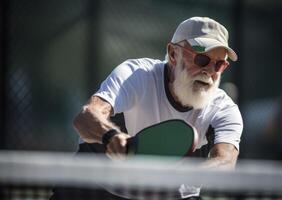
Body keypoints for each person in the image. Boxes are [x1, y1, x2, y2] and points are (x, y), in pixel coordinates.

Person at [70, 17, 243, 200]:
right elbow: (85, 117)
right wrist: (110, 136)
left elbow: (224, 162)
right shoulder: (136, 75)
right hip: (95, 188)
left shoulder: (224, 109)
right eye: (202, 59)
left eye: (219, 64)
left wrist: (174, 176)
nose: (209, 71)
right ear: (173, 53)